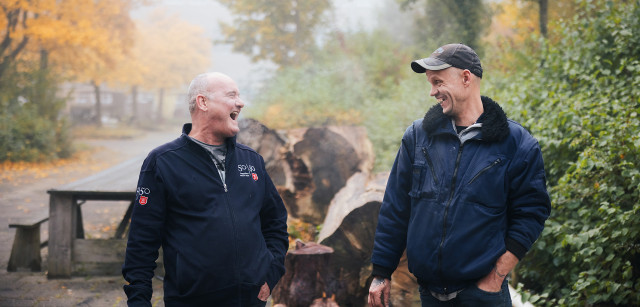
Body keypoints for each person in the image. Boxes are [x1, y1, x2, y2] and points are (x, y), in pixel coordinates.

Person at [368, 44, 551, 306]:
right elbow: (396, 208)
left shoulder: (517, 144)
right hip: (429, 294)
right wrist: (381, 272)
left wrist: (496, 276)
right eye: (430, 84)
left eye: (438, 82)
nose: (432, 92)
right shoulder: (417, 137)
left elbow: (532, 213)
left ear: (466, 78)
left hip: (482, 295)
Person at [122, 72, 289, 306]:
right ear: (203, 102)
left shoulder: (251, 160)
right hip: (191, 300)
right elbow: (142, 240)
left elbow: (275, 222)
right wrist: (139, 300)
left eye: (239, 96)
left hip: (250, 300)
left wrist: (270, 274)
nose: (240, 103)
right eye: (231, 95)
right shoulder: (163, 161)